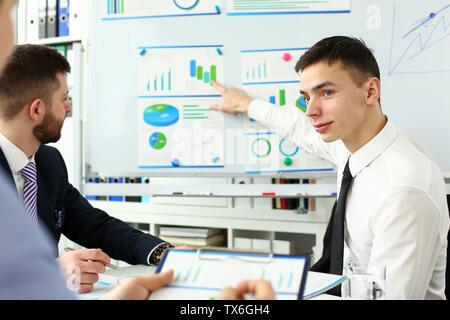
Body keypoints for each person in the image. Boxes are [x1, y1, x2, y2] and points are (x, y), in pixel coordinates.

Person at [211, 36, 449, 299]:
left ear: (370, 91)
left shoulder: (402, 190)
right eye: (306, 97)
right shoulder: (352, 144)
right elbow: (299, 128)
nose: (311, 110)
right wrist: (248, 105)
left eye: (326, 93)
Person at [0, 42, 190, 293]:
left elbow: (97, 227)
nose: (68, 108)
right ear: (36, 109)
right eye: (64, 99)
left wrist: (163, 253)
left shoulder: (48, 163)